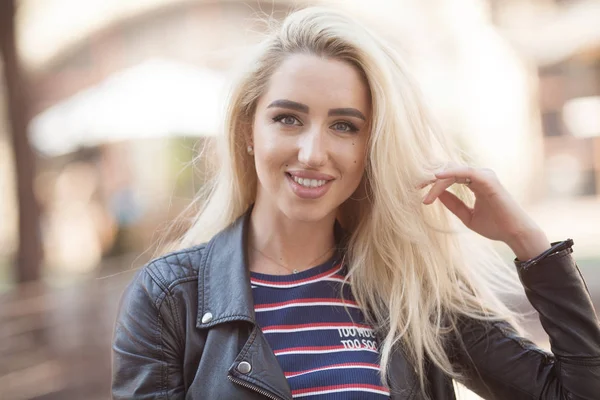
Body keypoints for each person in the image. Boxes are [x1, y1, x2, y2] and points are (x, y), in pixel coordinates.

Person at [111, 6, 600, 400]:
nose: (313, 153)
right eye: (288, 118)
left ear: (371, 148)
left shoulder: (412, 292)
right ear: (247, 132)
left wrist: (529, 242)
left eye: (345, 126)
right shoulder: (171, 299)